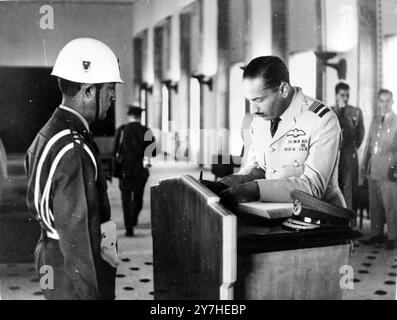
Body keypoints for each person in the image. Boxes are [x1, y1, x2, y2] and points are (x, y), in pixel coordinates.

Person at [25, 38, 123, 299]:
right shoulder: (73, 149)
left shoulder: (47, 133)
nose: (113, 96)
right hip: (72, 271)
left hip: (50, 255)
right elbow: (80, 241)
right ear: (89, 90)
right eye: (110, 87)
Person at [201, 56, 345, 208]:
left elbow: (313, 187)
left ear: (283, 89)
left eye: (259, 100)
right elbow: (258, 169)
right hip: (276, 212)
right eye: (250, 101)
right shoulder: (260, 119)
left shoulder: (322, 119)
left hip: (319, 217)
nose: (253, 110)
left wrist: (255, 189)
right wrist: (225, 184)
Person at [361, 89, 397, 250]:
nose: (384, 104)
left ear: (393, 102)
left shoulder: (396, 122)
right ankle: (376, 234)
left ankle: (393, 237)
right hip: (373, 168)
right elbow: (368, 145)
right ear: (378, 102)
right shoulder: (375, 121)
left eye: (387, 101)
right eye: (381, 101)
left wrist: (394, 167)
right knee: (375, 204)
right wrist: (364, 167)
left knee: (390, 204)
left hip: (389, 168)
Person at [113, 105, 156, 237]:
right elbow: (152, 152)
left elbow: (114, 150)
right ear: (140, 117)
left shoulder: (122, 130)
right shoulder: (146, 131)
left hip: (124, 170)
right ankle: (133, 219)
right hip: (140, 170)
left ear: (129, 116)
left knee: (126, 200)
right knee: (138, 199)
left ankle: (129, 228)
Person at [331, 82, 365, 211]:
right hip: (333, 156)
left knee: (348, 189)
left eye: (347, 95)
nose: (345, 98)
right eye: (342, 95)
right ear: (336, 95)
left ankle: (348, 224)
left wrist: (350, 148)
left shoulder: (355, 112)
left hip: (349, 155)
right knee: (333, 189)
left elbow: (360, 136)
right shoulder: (330, 111)